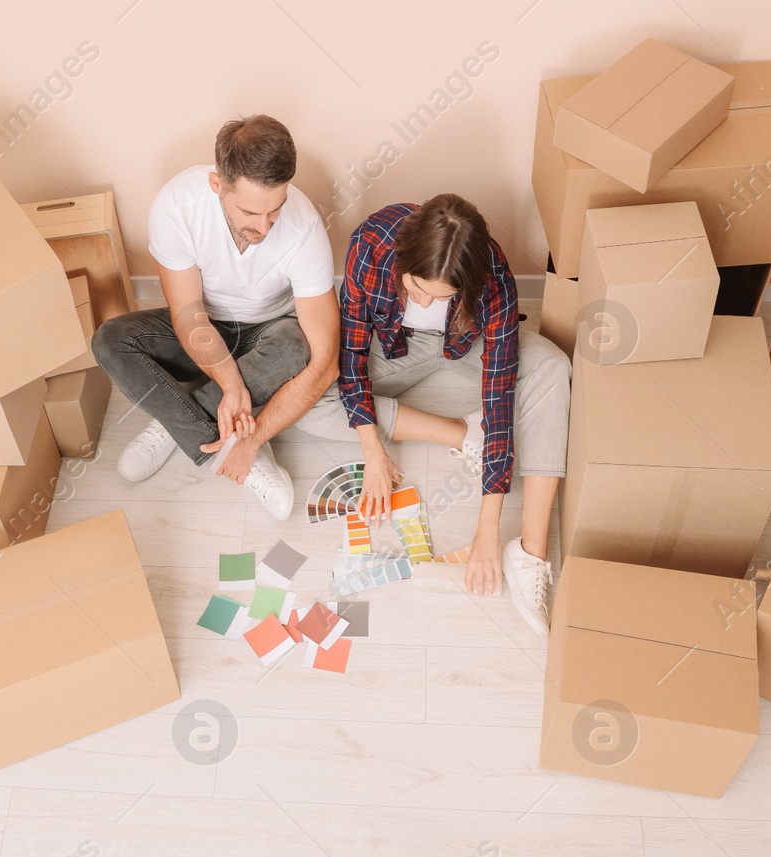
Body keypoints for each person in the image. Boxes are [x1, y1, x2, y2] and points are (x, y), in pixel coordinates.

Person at [298, 194, 571, 634]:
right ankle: (462, 432)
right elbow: (349, 355)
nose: (424, 304)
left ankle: (530, 552)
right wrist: (373, 451)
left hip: (466, 343)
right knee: (310, 400)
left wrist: (488, 529)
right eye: (416, 288)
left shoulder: (494, 275)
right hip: (395, 346)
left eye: (441, 296)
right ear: (402, 259)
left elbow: (499, 394)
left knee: (554, 366)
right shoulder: (371, 242)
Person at [93, 115, 340, 519]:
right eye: (249, 212)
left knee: (295, 347)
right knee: (110, 340)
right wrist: (230, 386)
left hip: (270, 331)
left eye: (274, 211)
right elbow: (188, 316)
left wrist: (254, 436)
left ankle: (179, 417)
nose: (264, 227)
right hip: (207, 327)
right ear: (217, 185)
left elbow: (326, 362)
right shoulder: (177, 206)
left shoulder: (304, 227)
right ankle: (212, 431)